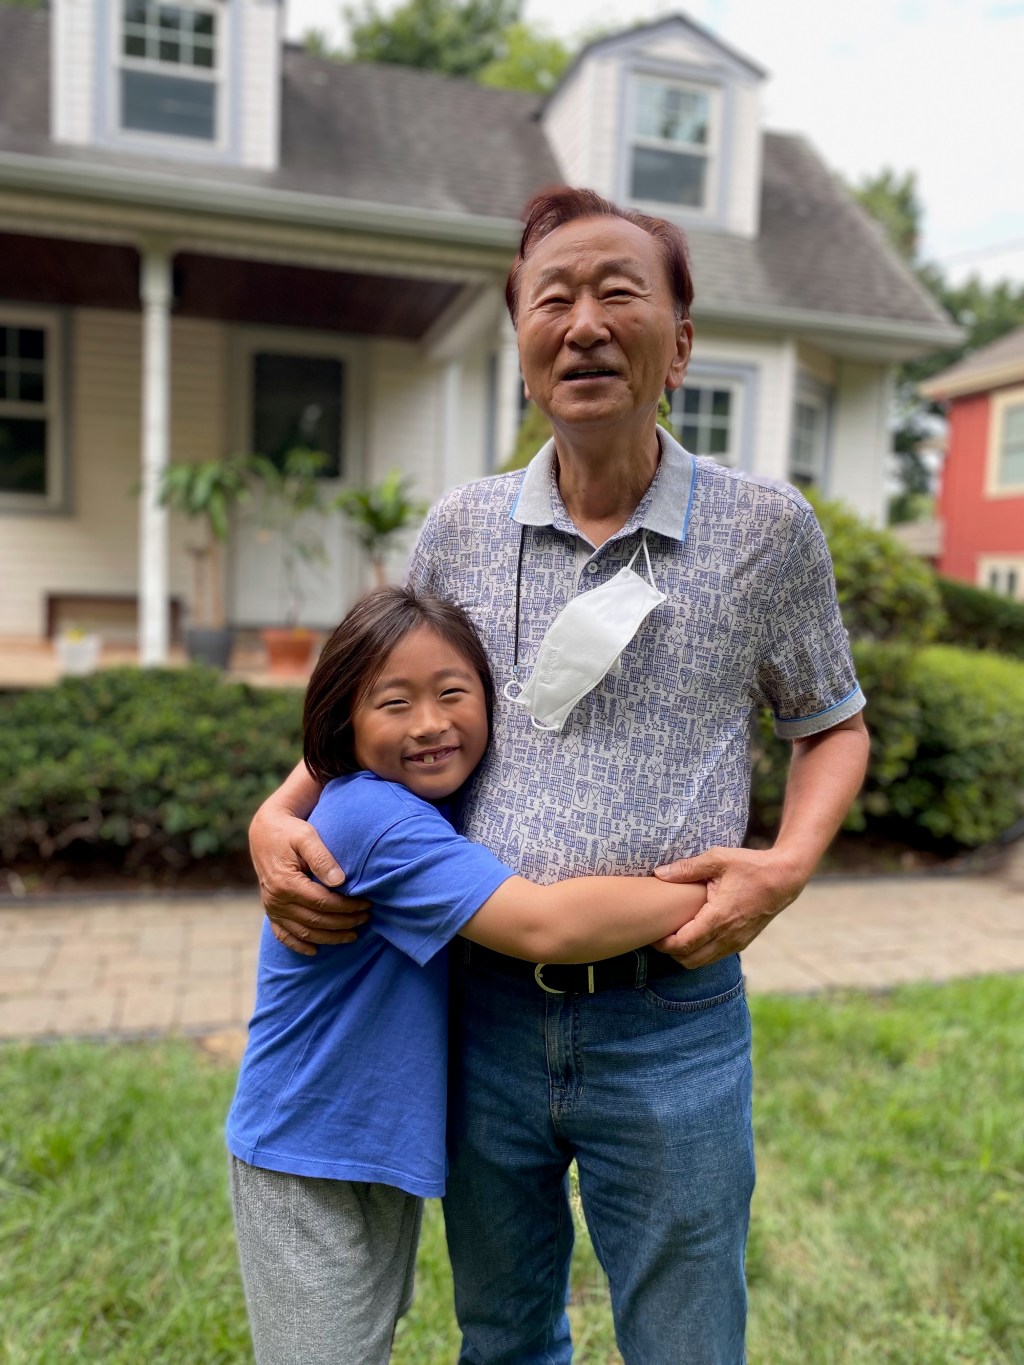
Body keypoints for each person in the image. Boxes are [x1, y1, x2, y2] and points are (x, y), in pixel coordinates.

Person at [249, 187, 871, 1363]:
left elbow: (830, 723)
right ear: (523, 349)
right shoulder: (460, 528)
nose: (583, 323)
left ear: (679, 345)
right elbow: (379, 705)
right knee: (503, 1336)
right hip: (477, 1006)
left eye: (618, 293)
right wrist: (272, 817)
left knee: (686, 1338)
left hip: (671, 1014)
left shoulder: (764, 531)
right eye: (553, 300)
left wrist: (786, 866)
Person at [228, 585, 707, 1365]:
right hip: (305, 1150)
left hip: (360, 1142)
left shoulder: (430, 800)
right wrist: (719, 889)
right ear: (345, 723)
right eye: (394, 703)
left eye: (453, 692)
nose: (429, 723)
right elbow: (545, 926)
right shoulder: (371, 818)